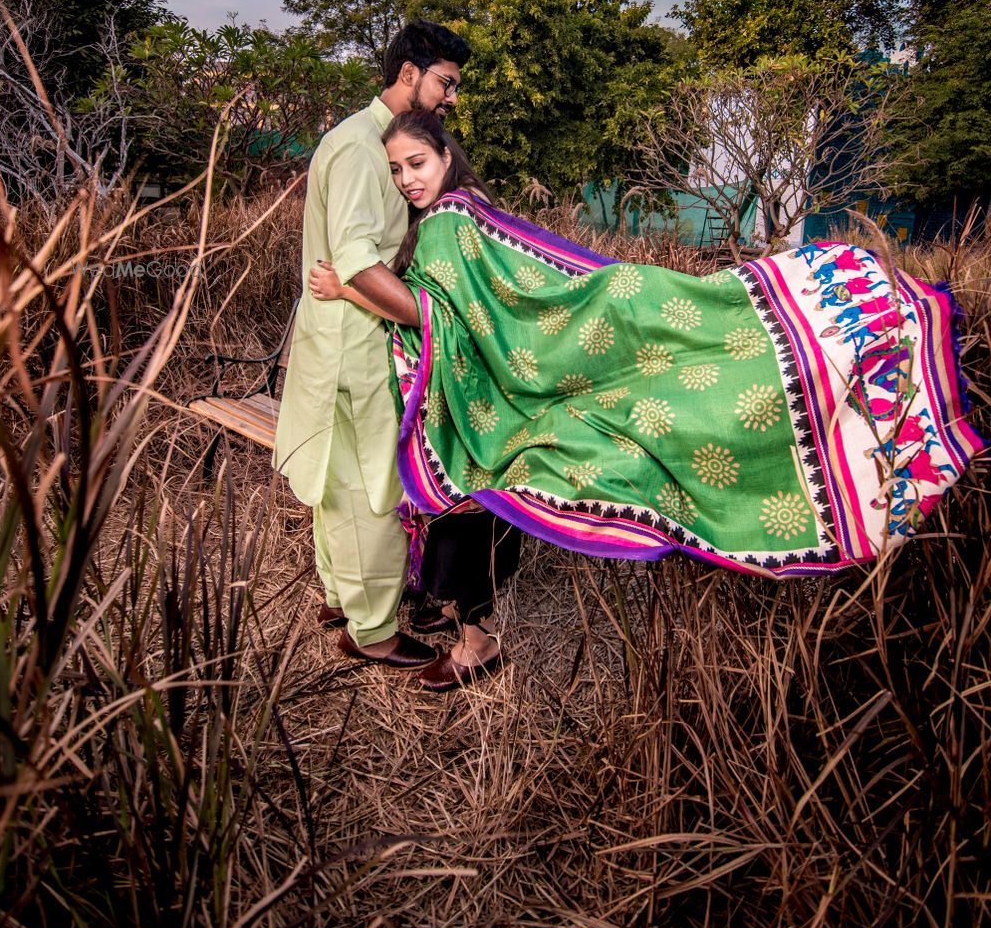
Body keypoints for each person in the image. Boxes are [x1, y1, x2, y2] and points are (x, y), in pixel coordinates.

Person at [311, 112, 985, 670]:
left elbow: (470, 312)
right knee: (507, 476)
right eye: (397, 170)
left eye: (418, 163)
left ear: (446, 156)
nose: (408, 180)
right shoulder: (460, 217)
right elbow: (463, 309)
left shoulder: (453, 223)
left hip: (508, 392)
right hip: (497, 393)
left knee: (522, 455)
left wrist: (350, 287)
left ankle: (470, 637)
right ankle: (464, 630)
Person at [273, 20, 471, 671]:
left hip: (337, 337)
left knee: (339, 483)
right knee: (370, 489)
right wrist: (430, 316)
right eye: (446, 82)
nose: (450, 97)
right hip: (356, 343)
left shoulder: (366, 139)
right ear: (409, 73)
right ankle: (375, 631)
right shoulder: (363, 148)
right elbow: (359, 265)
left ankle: (345, 599)